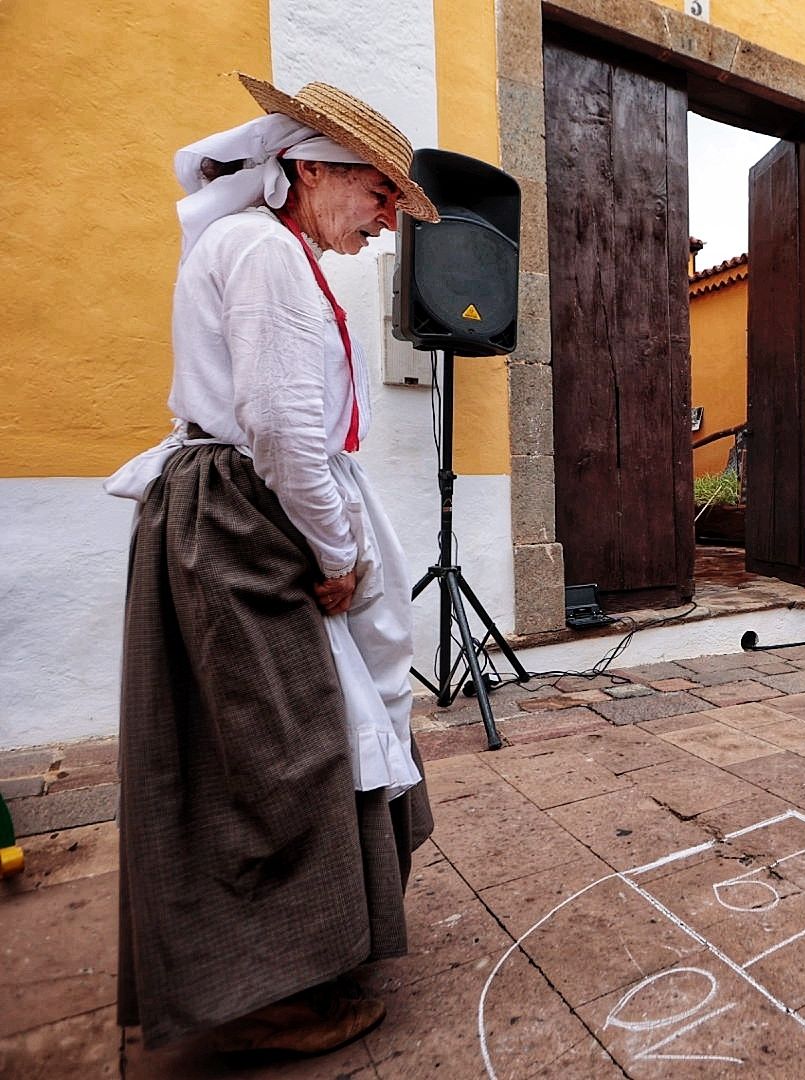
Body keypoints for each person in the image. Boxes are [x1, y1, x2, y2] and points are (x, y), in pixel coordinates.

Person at [103, 76, 437, 1054]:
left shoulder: (266, 248)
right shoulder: (261, 250)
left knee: (293, 731)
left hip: (239, 509)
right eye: (379, 196)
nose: (386, 222)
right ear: (312, 169)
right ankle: (263, 991)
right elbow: (285, 430)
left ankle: (306, 954)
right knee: (280, 749)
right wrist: (338, 553)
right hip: (247, 519)